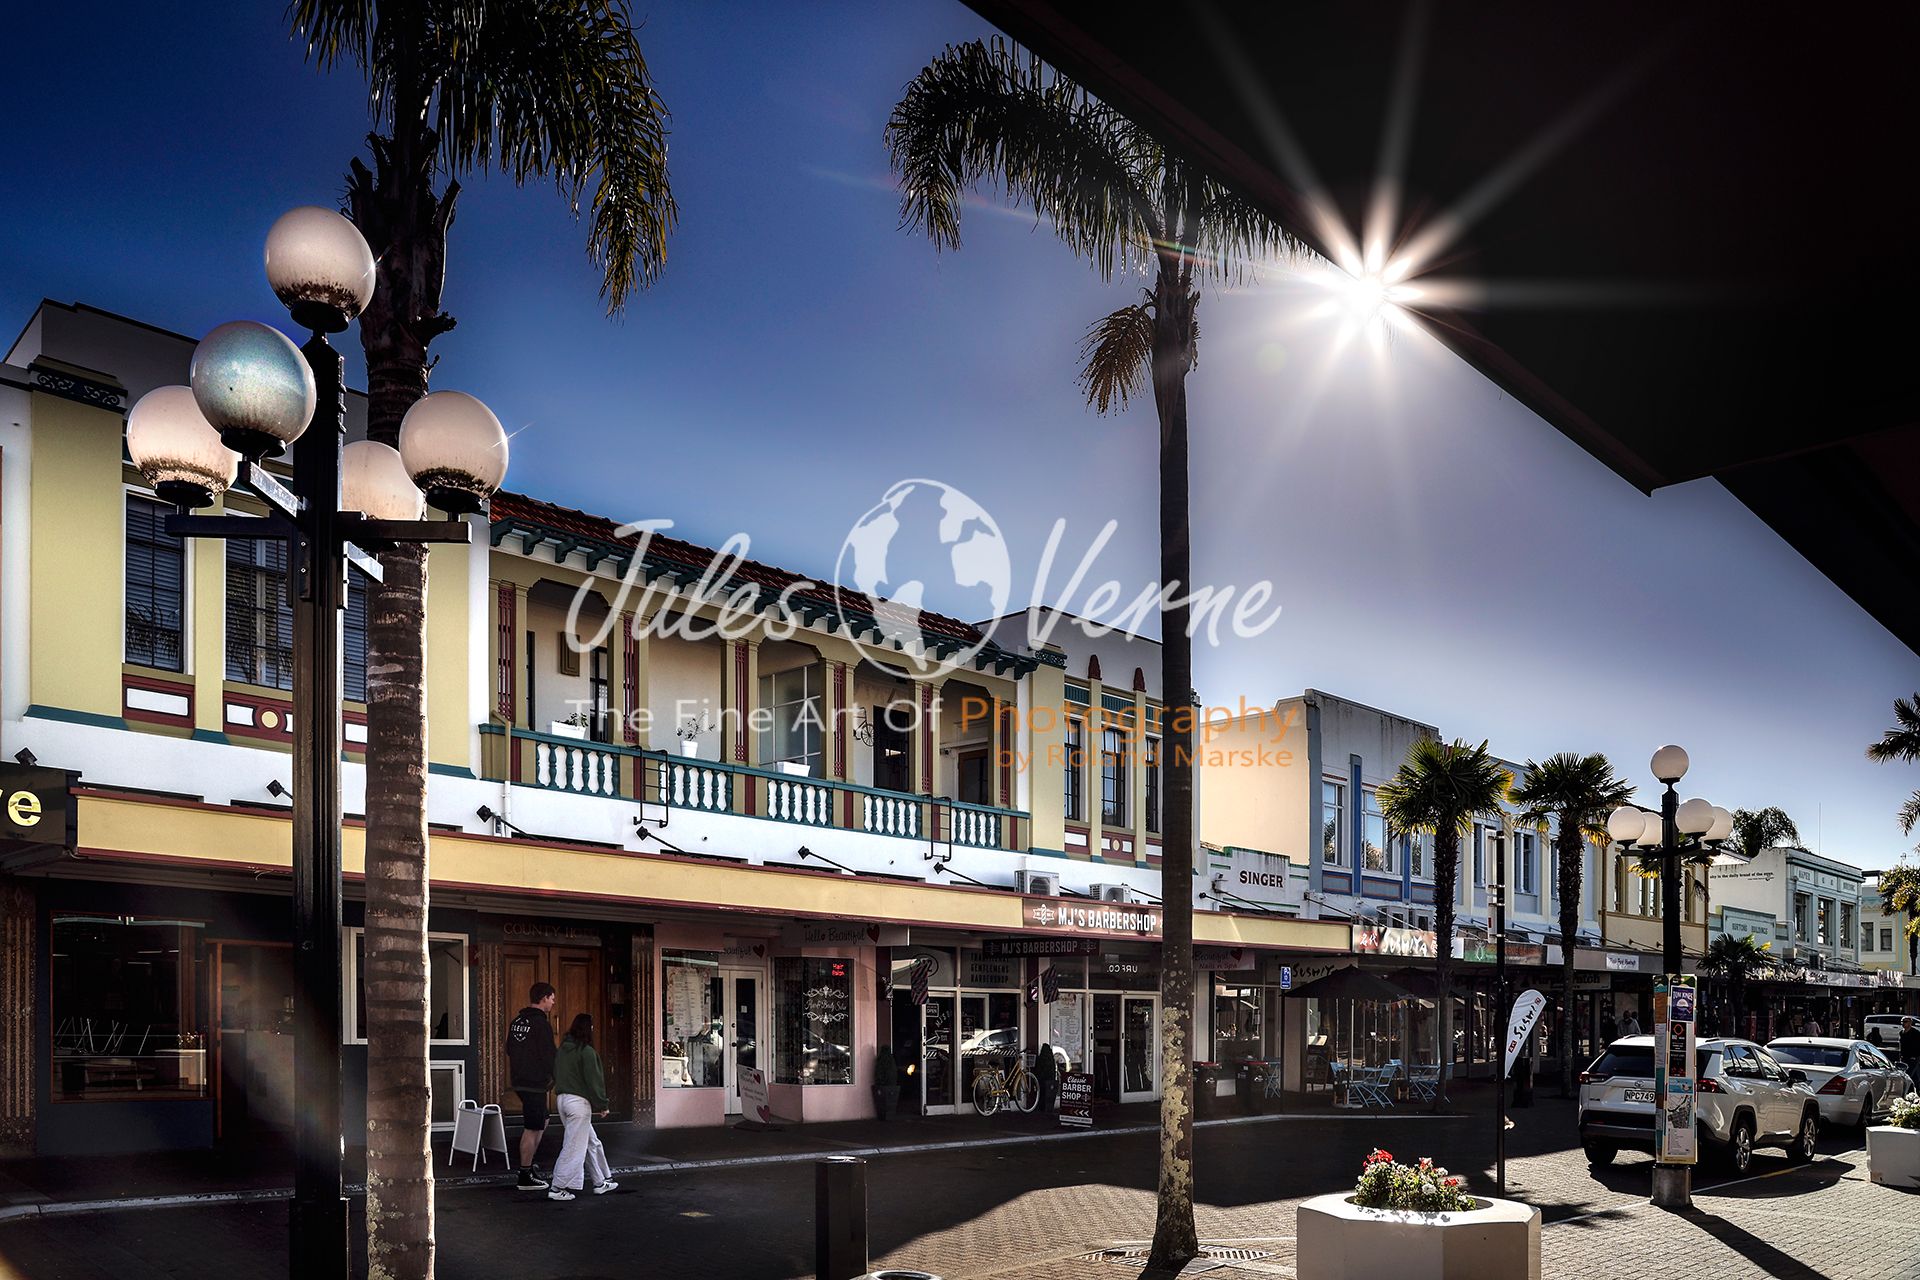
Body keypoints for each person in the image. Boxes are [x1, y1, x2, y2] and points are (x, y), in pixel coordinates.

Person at [549, 1012, 617, 1202]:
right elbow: (594, 1082)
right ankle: (557, 1187)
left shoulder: (563, 1050)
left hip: (562, 1100)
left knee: (589, 1142)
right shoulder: (587, 1052)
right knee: (574, 1147)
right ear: (589, 1029)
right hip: (578, 1104)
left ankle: (600, 1181)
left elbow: (555, 1072)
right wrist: (602, 1105)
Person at [506, 982, 558, 1191]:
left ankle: (528, 1165)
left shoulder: (517, 1021)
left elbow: (509, 1049)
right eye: (552, 998)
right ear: (544, 998)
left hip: (520, 1080)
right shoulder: (540, 1024)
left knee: (543, 1119)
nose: (553, 1003)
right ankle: (525, 1174)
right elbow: (549, 1055)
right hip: (534, 1083)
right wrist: (555, 1077)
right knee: (533, 1126)